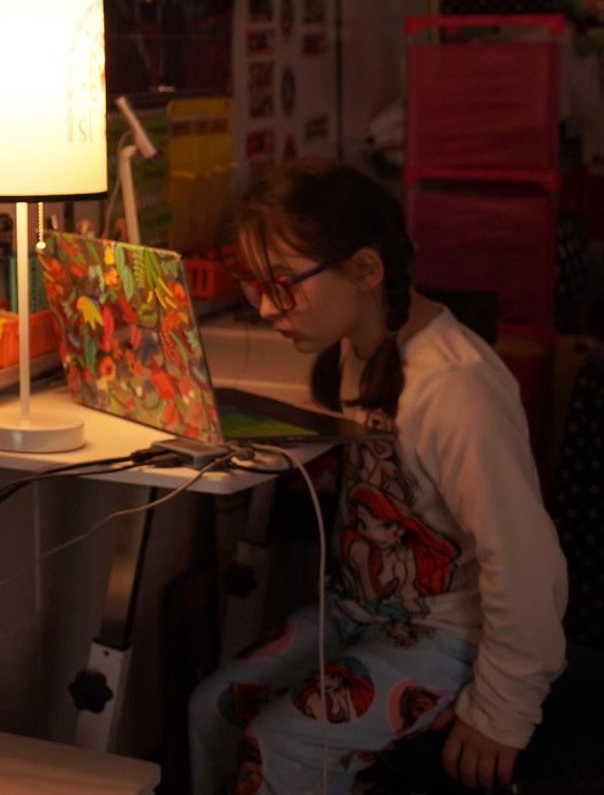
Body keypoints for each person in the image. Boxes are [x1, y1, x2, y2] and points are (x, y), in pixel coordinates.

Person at [189, 160, 566, 794]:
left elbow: (528, 568)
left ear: (366, 271)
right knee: (214, 708)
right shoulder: (353, 346)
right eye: (255, 286)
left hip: (450, 636)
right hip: (360, 614)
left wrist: (503, 713)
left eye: (282, 286)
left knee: (283, 742)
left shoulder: (454, 390)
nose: (265, 308)